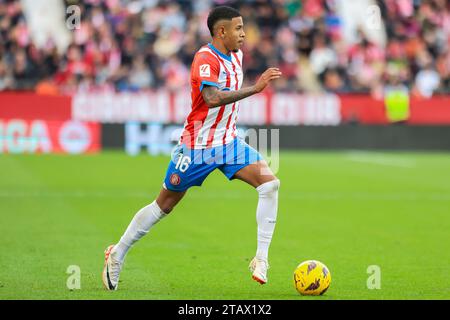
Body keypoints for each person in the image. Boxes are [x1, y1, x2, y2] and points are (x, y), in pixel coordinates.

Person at [102, 6, 282, 291]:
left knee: (270, 185)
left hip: (229, 142)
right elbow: (210, 98)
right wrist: (255, 88)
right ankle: (118, 252)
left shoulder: (237, 54)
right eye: (238, 28)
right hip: (198, 145)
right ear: (221, 31)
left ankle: (261, 259)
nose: (244, 34)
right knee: (164, 205)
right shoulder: (205, 58)